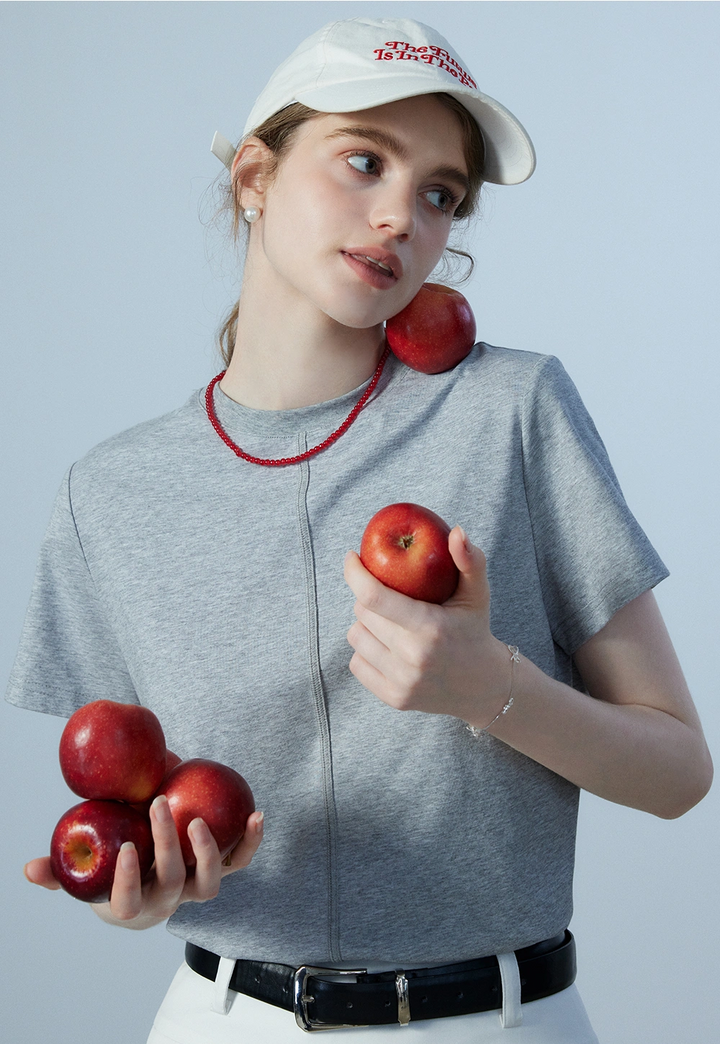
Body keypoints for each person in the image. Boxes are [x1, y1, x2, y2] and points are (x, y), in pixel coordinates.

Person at [7, 16, 712, 1044]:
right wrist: (148, 890)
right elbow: (130, 798)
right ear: (255, 175)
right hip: (224, 1020)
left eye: (439, 195)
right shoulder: (110, 493)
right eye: (364, 162)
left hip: (500, 1022)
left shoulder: (511, 413)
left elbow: (679, 773)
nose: (400, 218)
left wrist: (492, 690)